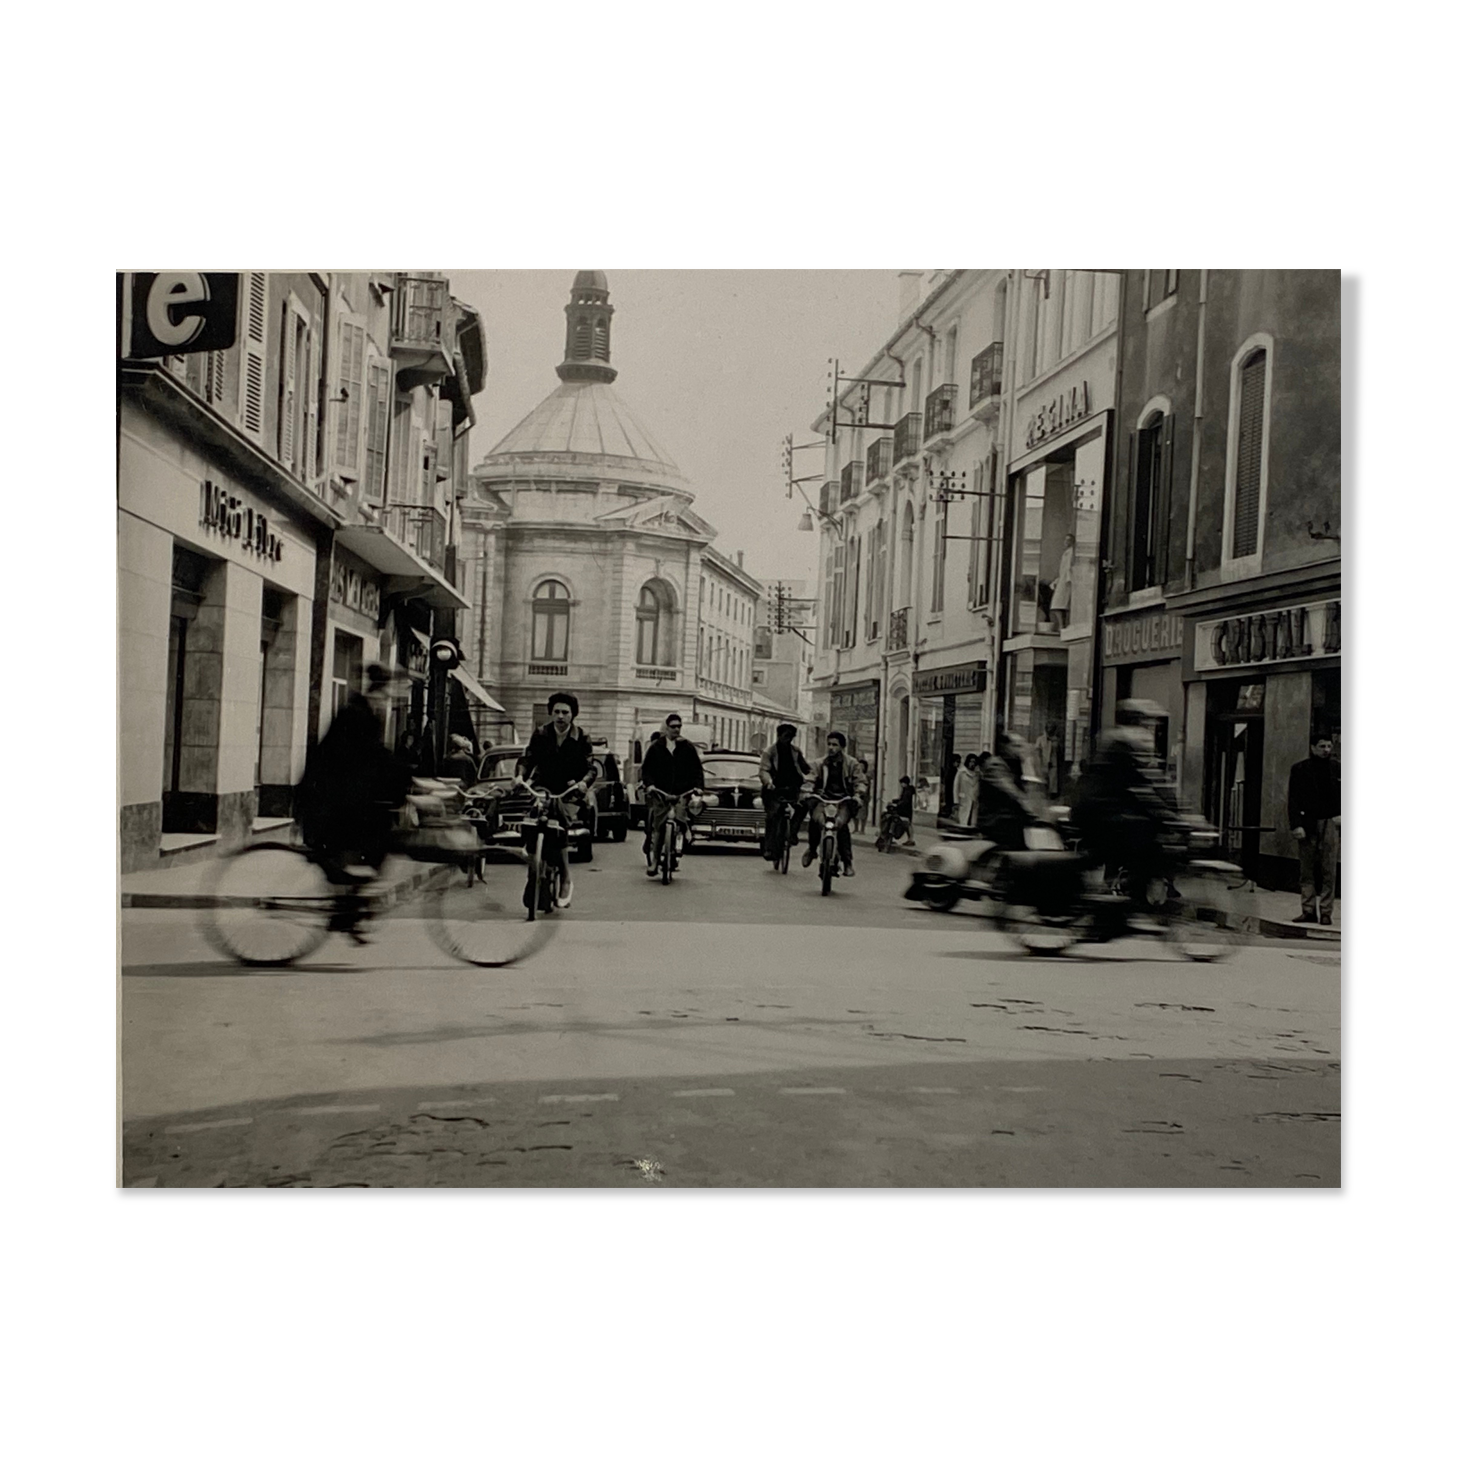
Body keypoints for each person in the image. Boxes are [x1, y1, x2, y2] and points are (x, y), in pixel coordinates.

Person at [295, 663, 413, 941]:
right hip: (326, 802)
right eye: (387, 695)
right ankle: (347, 910)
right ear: (379, 692)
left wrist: (406, 782)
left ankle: (349, 909)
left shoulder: (364, 712)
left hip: (338, 800)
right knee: (376, 842)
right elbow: (372, 757)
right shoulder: (358, 714)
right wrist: (409, 782)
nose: (388, 702)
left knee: (364, 849)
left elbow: (376, 758)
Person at [1074, 702, 1182, 905]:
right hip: (1100, 813)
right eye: (1144, 722)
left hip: (1099, 810)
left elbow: (1142, 788)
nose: (1146, 728)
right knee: (1143, 845)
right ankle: (1127, 898)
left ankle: (1128, 895)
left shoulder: (1114, 742)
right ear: (1134, 721)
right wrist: (1170, 818)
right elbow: (1140, 788)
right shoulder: (1121, 746)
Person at [517, 691, 598, 910]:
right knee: (534, 811)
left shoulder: (581, 737)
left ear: (573, 715)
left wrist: (583, 783)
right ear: (551, 713)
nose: (560, 716)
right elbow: (528, 758)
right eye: (556, 712)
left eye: (565, 712)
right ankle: (532, 849)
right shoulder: (541, 733)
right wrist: (520, 775)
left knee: (559, 819)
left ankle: (566, 879)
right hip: (544, 787)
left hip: (569, 791)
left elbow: (591, 767)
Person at [640, 713, 705, 874]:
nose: (676, 729)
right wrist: (650, 785)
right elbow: (646, 770)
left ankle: (678, 846)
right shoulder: (656, 747)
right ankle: (655, 860)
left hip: (681, 793)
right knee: (659, 826)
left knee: (681, 819)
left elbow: (697, 770)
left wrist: (698, 787)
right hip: (661, 793)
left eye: (679, 726)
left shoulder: (687, 747)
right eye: (673, 726)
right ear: (666, 728)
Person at [1288, 731, 1342, 925]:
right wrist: (1296, 824)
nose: (1326, 750)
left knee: (1329, 868)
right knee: (1307, 868)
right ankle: (1308, 909)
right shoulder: (1300, 769)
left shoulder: (1336, 768)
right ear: (1313, 748)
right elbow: (1293, 799)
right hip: (1308, 820)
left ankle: (1326, 911)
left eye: (1329, 746)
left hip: (1330, 820)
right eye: (1322, 746)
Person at [801, 731, 867, 876]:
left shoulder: (852, 764)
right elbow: (810, 778)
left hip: (843, 802)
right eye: (829, 744)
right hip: (823, 800)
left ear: (842, 747)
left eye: (835, 745)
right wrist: (807, 790)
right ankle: (812, 850)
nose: (831, 748)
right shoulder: (819, 763)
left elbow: (860, 782)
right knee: (814, 820)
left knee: (841, 827)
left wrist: (857, 795)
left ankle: (847, 862)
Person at [975, 734, 1044, 850]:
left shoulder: (1016, 765)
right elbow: (1011, 790)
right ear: (1006, 747)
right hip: (995, 820)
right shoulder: (996, 765)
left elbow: (1032, 789)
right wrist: (1030, 809)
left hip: (1012, 820)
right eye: (1016, 746)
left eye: (1022, 746)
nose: (1021, 750)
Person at [758, 722, 813, 863]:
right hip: (774, 789)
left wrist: (811, 779)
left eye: (791, 737)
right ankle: (769, 848)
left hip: (793, 788)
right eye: (786, 736)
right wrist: (768, 782)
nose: (789, 739)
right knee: (773, 815)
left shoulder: (795, 751)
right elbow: (764, 770)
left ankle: (792, 833)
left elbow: (806, 769)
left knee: (803, 806)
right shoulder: (769, 752)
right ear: (779, 736)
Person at [1049, 532, 1075, 630]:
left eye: (1068, 540)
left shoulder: (1071, 552)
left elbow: (1069, 568)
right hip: (1063, 579)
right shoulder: (1066, 553)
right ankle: (1062, 624)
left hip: (1067, 580)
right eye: (1065, 540)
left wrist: (1069, 579)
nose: (1066, 542)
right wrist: (1056, 581)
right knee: (1057, 604)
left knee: (1060, 603)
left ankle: (1062, 625)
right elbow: (1062, 570)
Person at [952, 753, 978, 827]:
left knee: (973, 819)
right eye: (971, 761)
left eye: (974, 762)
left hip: (974, 801)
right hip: (963, 800)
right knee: (963, 819)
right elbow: (956, 787)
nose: (972, 764)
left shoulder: (977, 774)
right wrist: (956, 801)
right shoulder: (961, 772)